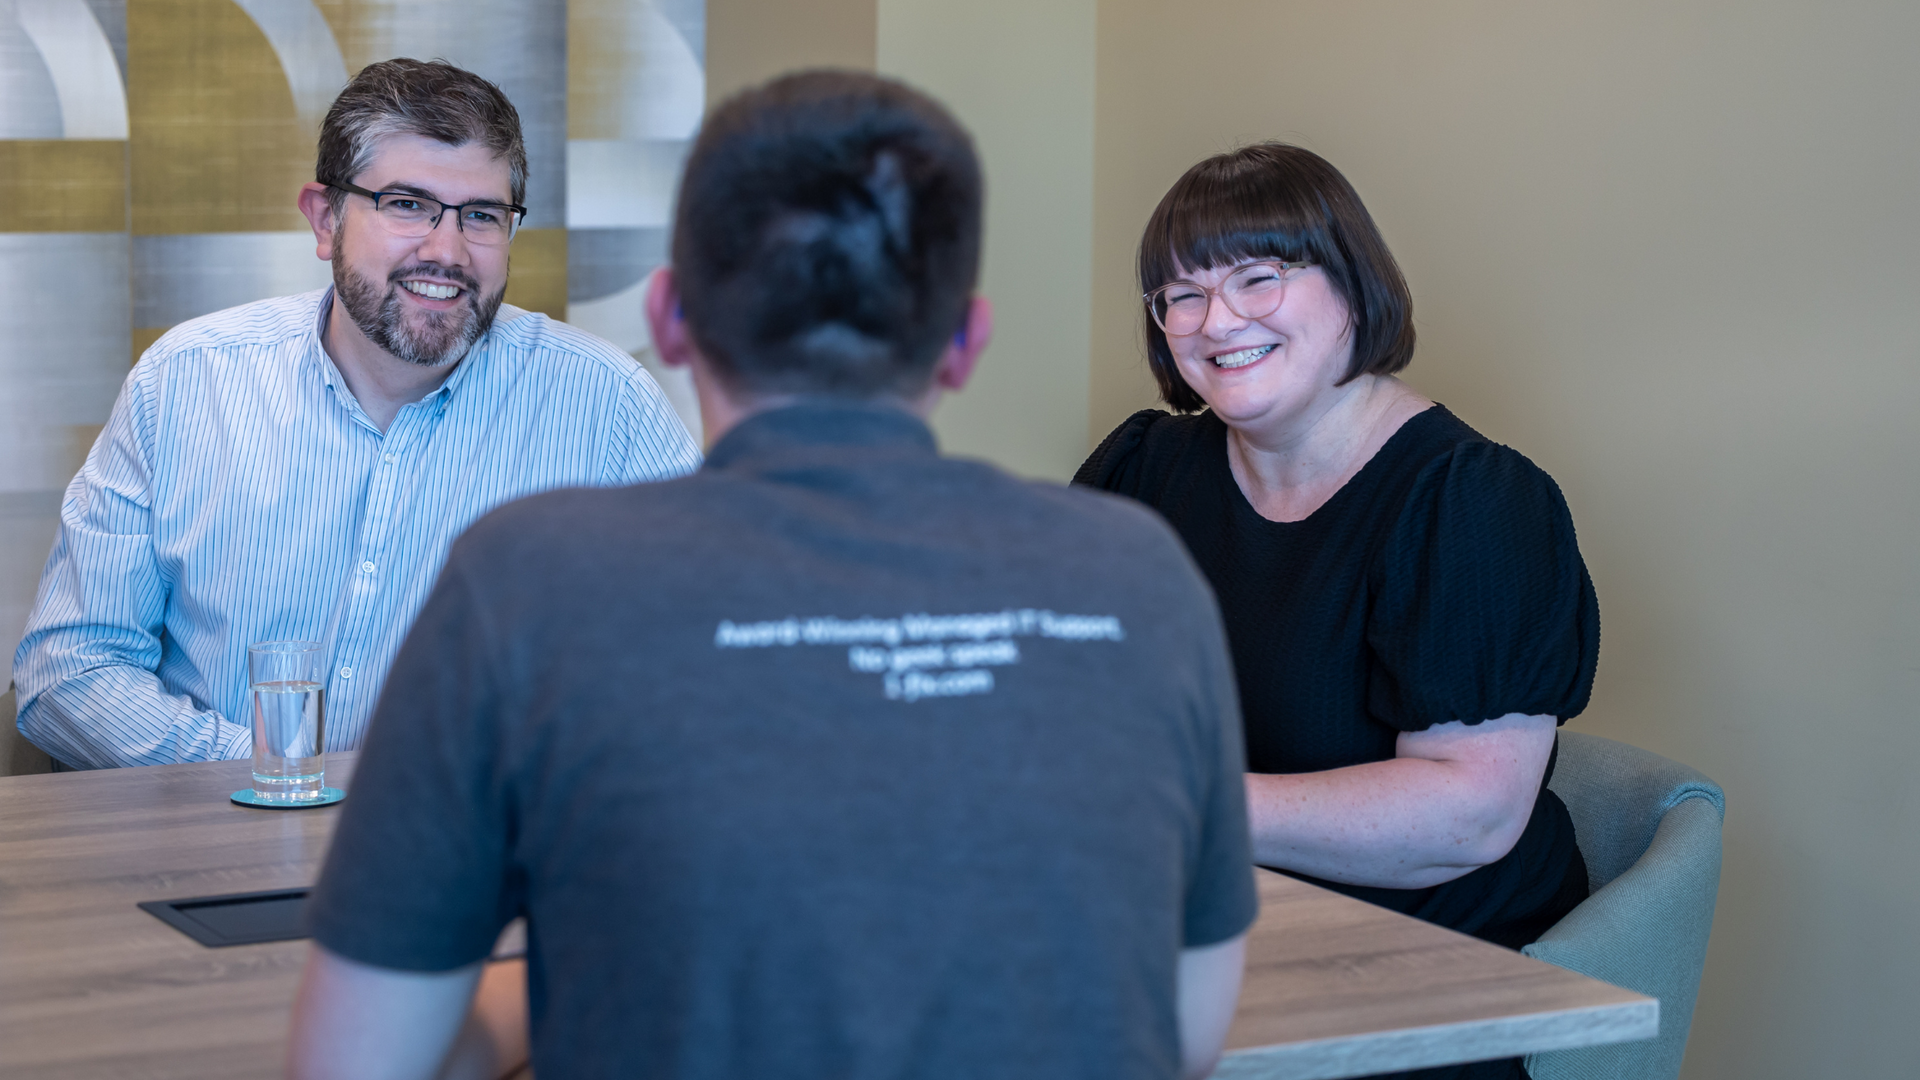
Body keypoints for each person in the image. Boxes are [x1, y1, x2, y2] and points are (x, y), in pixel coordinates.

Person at [289, 72, 1257, 1080]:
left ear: (668, 320)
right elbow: (1184, 1031)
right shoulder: (1142, 575)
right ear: (967, 341)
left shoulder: (524, 579)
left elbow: (356, 1062)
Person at [12, 59, 701, 769]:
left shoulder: (610, 409)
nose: (446, 250)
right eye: (406, 204)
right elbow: (70, 670)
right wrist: (283, 777)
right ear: (324, 217)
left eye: (482, 216)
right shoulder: (186, 382)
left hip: (493, 864)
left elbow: (711, 664)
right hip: (213, 849)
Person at [1076, 144, 1598, 1080]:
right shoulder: (1150, 468)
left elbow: (1468, 816)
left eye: (1258, 277)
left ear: (1352, 288)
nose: (1215, 319)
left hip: (1426, 956)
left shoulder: (1470, 503)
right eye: (1179, 296)